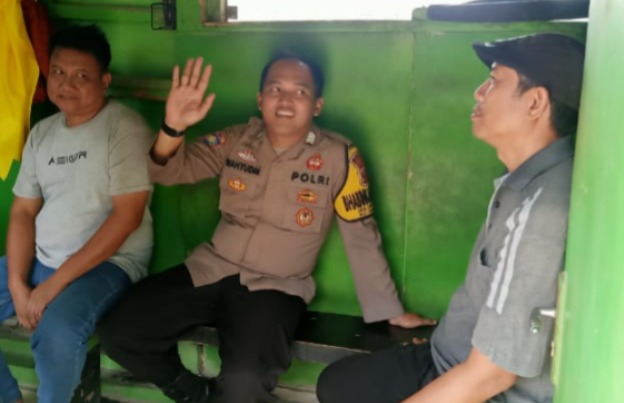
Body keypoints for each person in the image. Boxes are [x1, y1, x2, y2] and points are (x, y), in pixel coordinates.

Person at [99, 52, 435, 403]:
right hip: (210, 269)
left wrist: (391, 312)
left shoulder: (340, 157)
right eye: (275, 89)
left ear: (317, 105)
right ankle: (192, 393)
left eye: (300, 92)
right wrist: (173, 126)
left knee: (244, 381)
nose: (285, 100)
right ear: (260, 99)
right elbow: (168, 172)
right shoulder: (236, 140)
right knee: (120, 330)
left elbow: (361, 236)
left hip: (275, 287)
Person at [316, 32, 585, 403]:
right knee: (337, 384)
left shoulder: (542, 208)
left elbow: (492, 376)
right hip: (448, 356)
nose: (479, 92)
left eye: (493, 81)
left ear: (535, 103)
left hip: (483, 389)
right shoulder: (524, 180)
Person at [0, 25, 153, 403]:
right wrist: (18, 284)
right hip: (42, 259)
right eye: (58, 72)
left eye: (81, 75)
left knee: (57, 332)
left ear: (104, 81)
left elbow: (127, 218)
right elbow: (22, 212)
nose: (66, 84)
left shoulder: (124, 128)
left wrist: (50, 287)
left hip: (108, 266)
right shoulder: (42, 133)